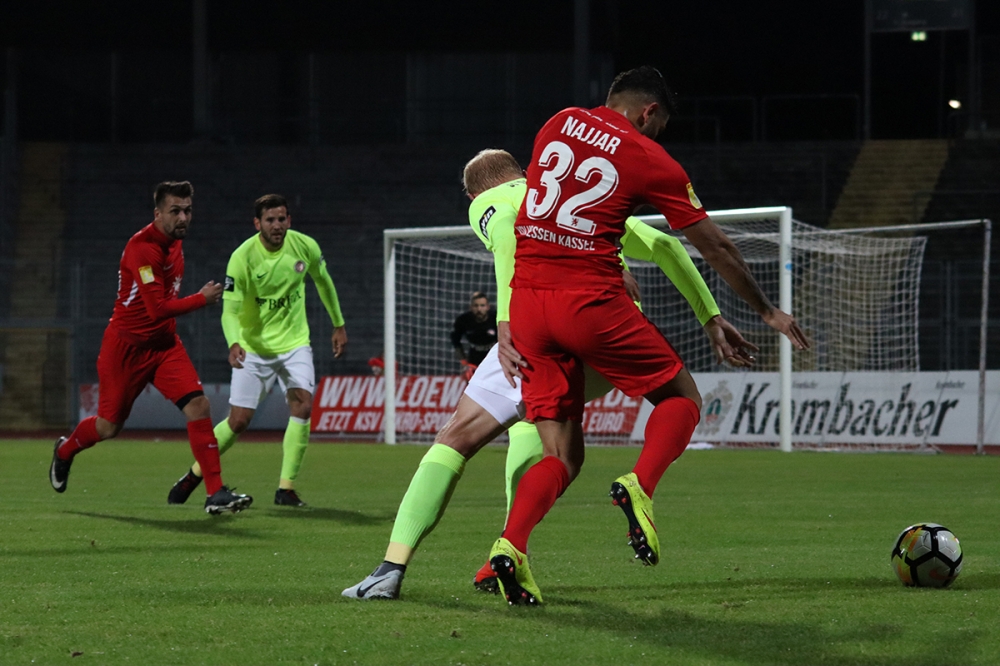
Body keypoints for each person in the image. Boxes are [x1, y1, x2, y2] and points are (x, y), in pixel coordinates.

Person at [342, 149, 754, 600]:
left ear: (474, 191)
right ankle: (506, 552)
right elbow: (666, 245)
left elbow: (506, 239)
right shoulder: (568, 192)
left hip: (535, 328)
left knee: (456, 439)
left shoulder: (489, 202)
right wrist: (709, 316)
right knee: (557, 446)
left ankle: (390, 569)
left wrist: (504, 322)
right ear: (522, 171)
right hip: (606, 329)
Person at [490, 66, 810, 605]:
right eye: (660, 124)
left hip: (526, 306)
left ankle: (509, 546)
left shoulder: (556, 122)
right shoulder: (648, 156)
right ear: (649, 112)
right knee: (680, 397)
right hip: (588, 300)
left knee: (561, 457)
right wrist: (765, 309)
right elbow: (716, 247)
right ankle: (640, 483)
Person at [48, 181, 253, 515]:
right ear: (157, 214)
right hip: (126, 349)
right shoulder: (142, 248)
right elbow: (156, 307)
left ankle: (215, 494)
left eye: (187, 210)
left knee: (199, 407)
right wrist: (202, 298)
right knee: (108, 427)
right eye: (175, 211)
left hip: (164, 345)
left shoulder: (174, 241)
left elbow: (160, 313)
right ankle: (65, 450)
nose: (183, 217)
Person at [166, 194, 348, 508]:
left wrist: (338, 324)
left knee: (302, 406)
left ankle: (285, 489)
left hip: (294, 346)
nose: (277, 226)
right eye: (270, 220)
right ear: (257, 223)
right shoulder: (243, 258)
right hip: (253, 349)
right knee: (238, 421)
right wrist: (234, 342)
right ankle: (195, 474)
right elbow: (230, 310)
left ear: (289, 221)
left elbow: (324, 282)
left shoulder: (305, 246)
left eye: (282, 219)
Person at [450, 291, 497, 374]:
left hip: (494, 356)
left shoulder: (495, 318)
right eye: (476, 306)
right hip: (474, 357)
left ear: (488, 307)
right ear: (471, 307)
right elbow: (455, 341)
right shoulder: (463, 320)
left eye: (482, 306)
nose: (479, 309)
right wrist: (464, 362)